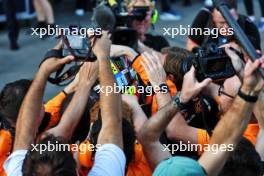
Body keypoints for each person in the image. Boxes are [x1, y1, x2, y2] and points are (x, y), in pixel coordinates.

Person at [138, 52, 264, 175]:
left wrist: (161, 86)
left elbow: (175, 130)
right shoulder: (259, 151)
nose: (217, 93)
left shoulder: (240, 146)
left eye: (222, 91)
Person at [186, 0, 261, 51]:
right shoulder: (204, 16)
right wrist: (202, 53)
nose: (226, 27)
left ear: (236, 14)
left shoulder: (248, 26)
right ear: (213, 16)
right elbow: (191, 43)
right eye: (221, 23)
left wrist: (240, 49)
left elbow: (257, 60)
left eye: (230, 22)